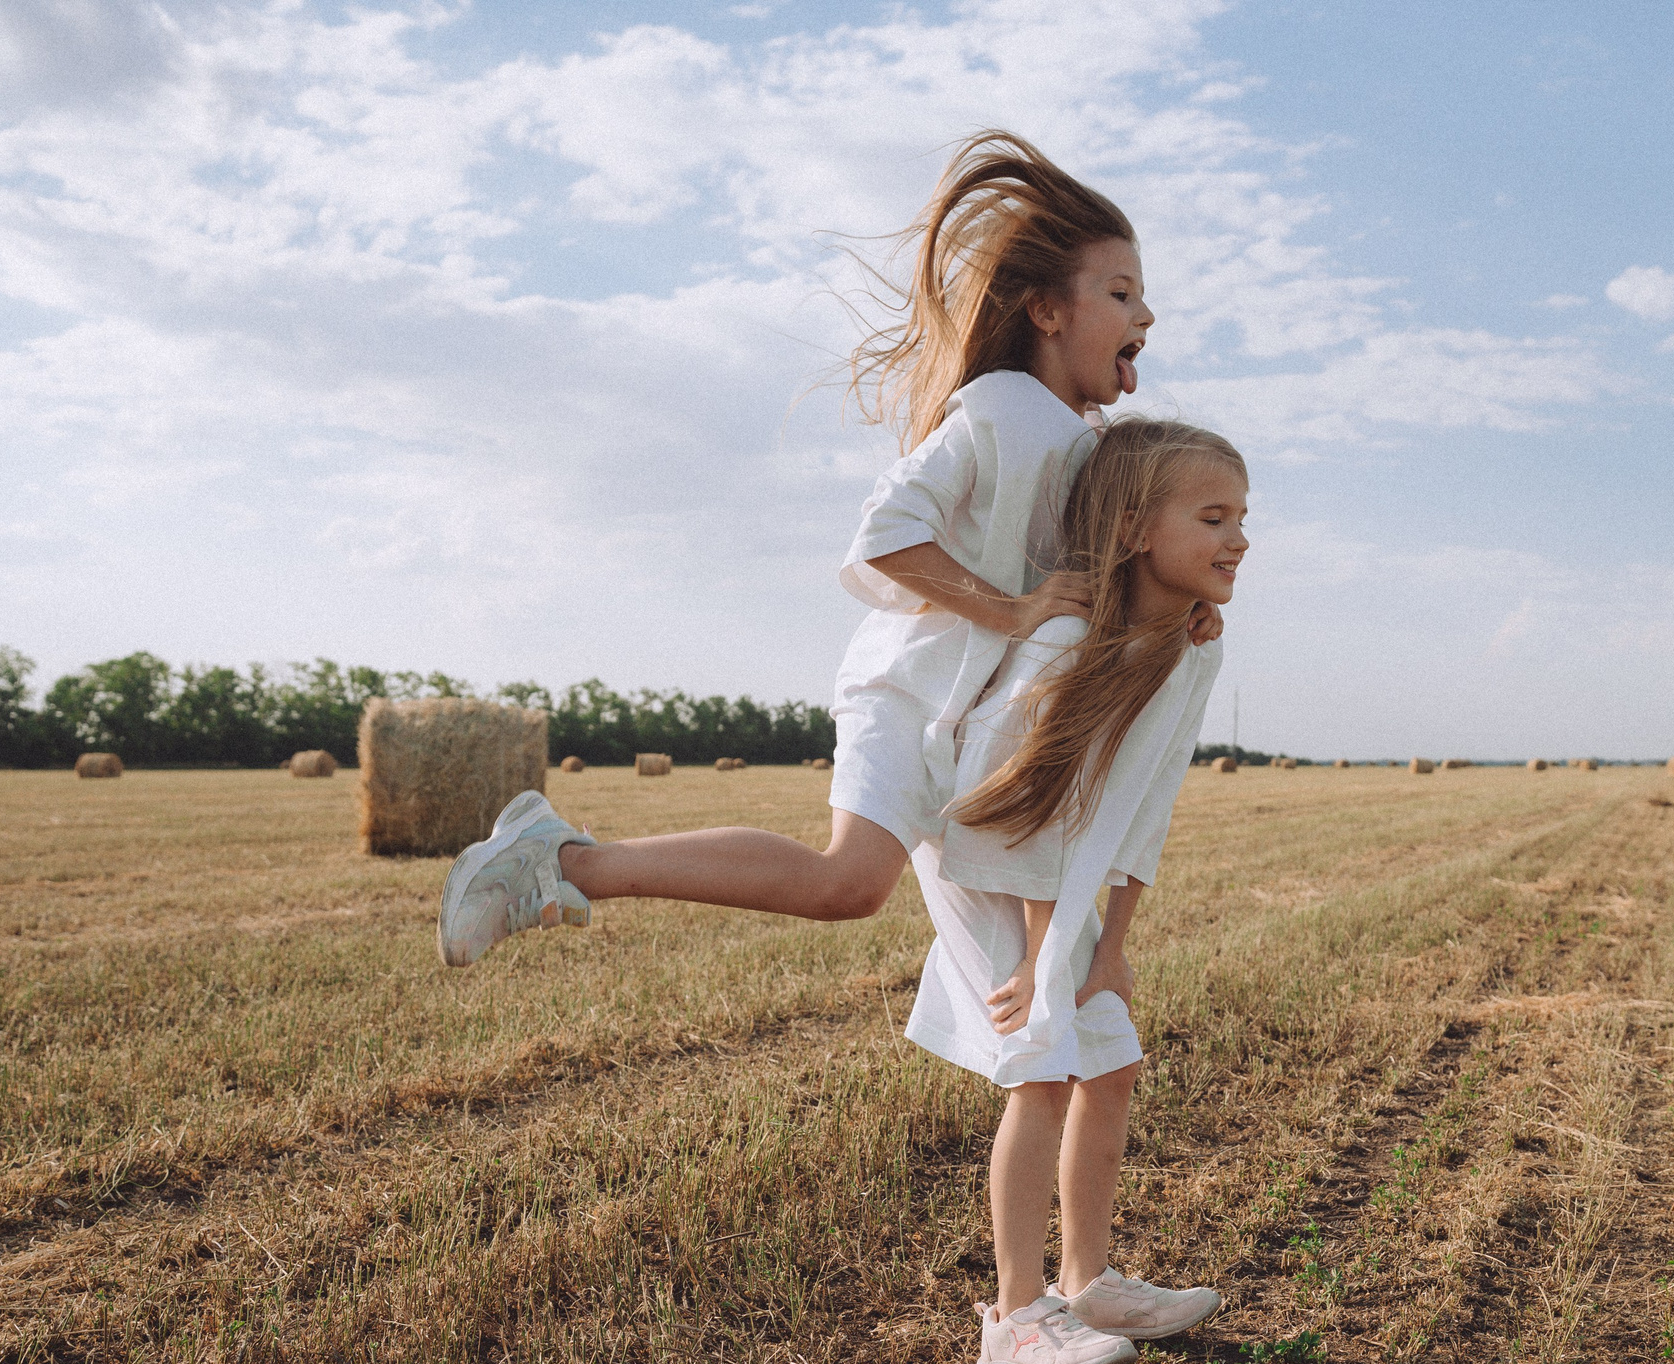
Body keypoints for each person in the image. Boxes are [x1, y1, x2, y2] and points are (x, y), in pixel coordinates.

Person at [434, 130, 1216, 965]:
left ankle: (1055, 1065)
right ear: (1048, 311)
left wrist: (1177, 613)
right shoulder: (996, 410)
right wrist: (1014, 610)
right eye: (1121, 292)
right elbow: (885, 537)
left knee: (1025, 965)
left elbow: (1103, 579)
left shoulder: (1090, 450)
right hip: (909, 691)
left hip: (977, 724)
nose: (1146, 314)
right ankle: (560, 857)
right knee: (847, 883)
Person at [909, 417, 1242, 1364]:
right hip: (983, 849)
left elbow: (1141, 806)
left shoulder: (1187, 647)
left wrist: (1110, 945)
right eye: (1213, 516)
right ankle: (1013, 1320)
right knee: (1043, 1062)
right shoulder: (1066, 641)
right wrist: (1041, 957)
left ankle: (1089, 1282)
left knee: (1111, 1059)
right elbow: (1030, 807)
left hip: (1059, 863)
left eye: (1243, 518)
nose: (1240, 539)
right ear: (1138, 526)